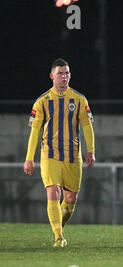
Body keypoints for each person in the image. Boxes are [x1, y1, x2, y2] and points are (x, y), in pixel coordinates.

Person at [23, 58, 96, 247]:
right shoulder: (42, 102)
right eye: (60, 73)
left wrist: (91, 150)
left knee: (70, 200)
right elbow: (35, 131)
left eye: (67, 73)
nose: (64, 77)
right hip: (50, 155)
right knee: (53, 192)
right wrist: (29, 159)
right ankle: (58, 237)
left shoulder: (79, 99)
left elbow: (87, 125)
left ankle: (58, 228)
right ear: (52, 76)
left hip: (73, 156)